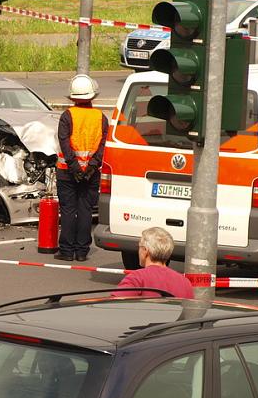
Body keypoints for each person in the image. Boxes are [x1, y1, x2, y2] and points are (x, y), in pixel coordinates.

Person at [56, 74, 108, 262]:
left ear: (72, 96)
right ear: (92, 96)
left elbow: (64, 142)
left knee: (69, 210)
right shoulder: (101, 117)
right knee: (85, 210)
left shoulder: (67, 116)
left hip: (67, 172)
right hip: (91, 173)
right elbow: (103, 145)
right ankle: (82, 252)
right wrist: (91, 166)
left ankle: (67, 251)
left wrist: (75, 167)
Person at [112, 227, 194, 298]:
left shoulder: (137, 278)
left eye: (139, 247)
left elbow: (113, 305)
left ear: (145, 251)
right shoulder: (184, 283)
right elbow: (190, 313)